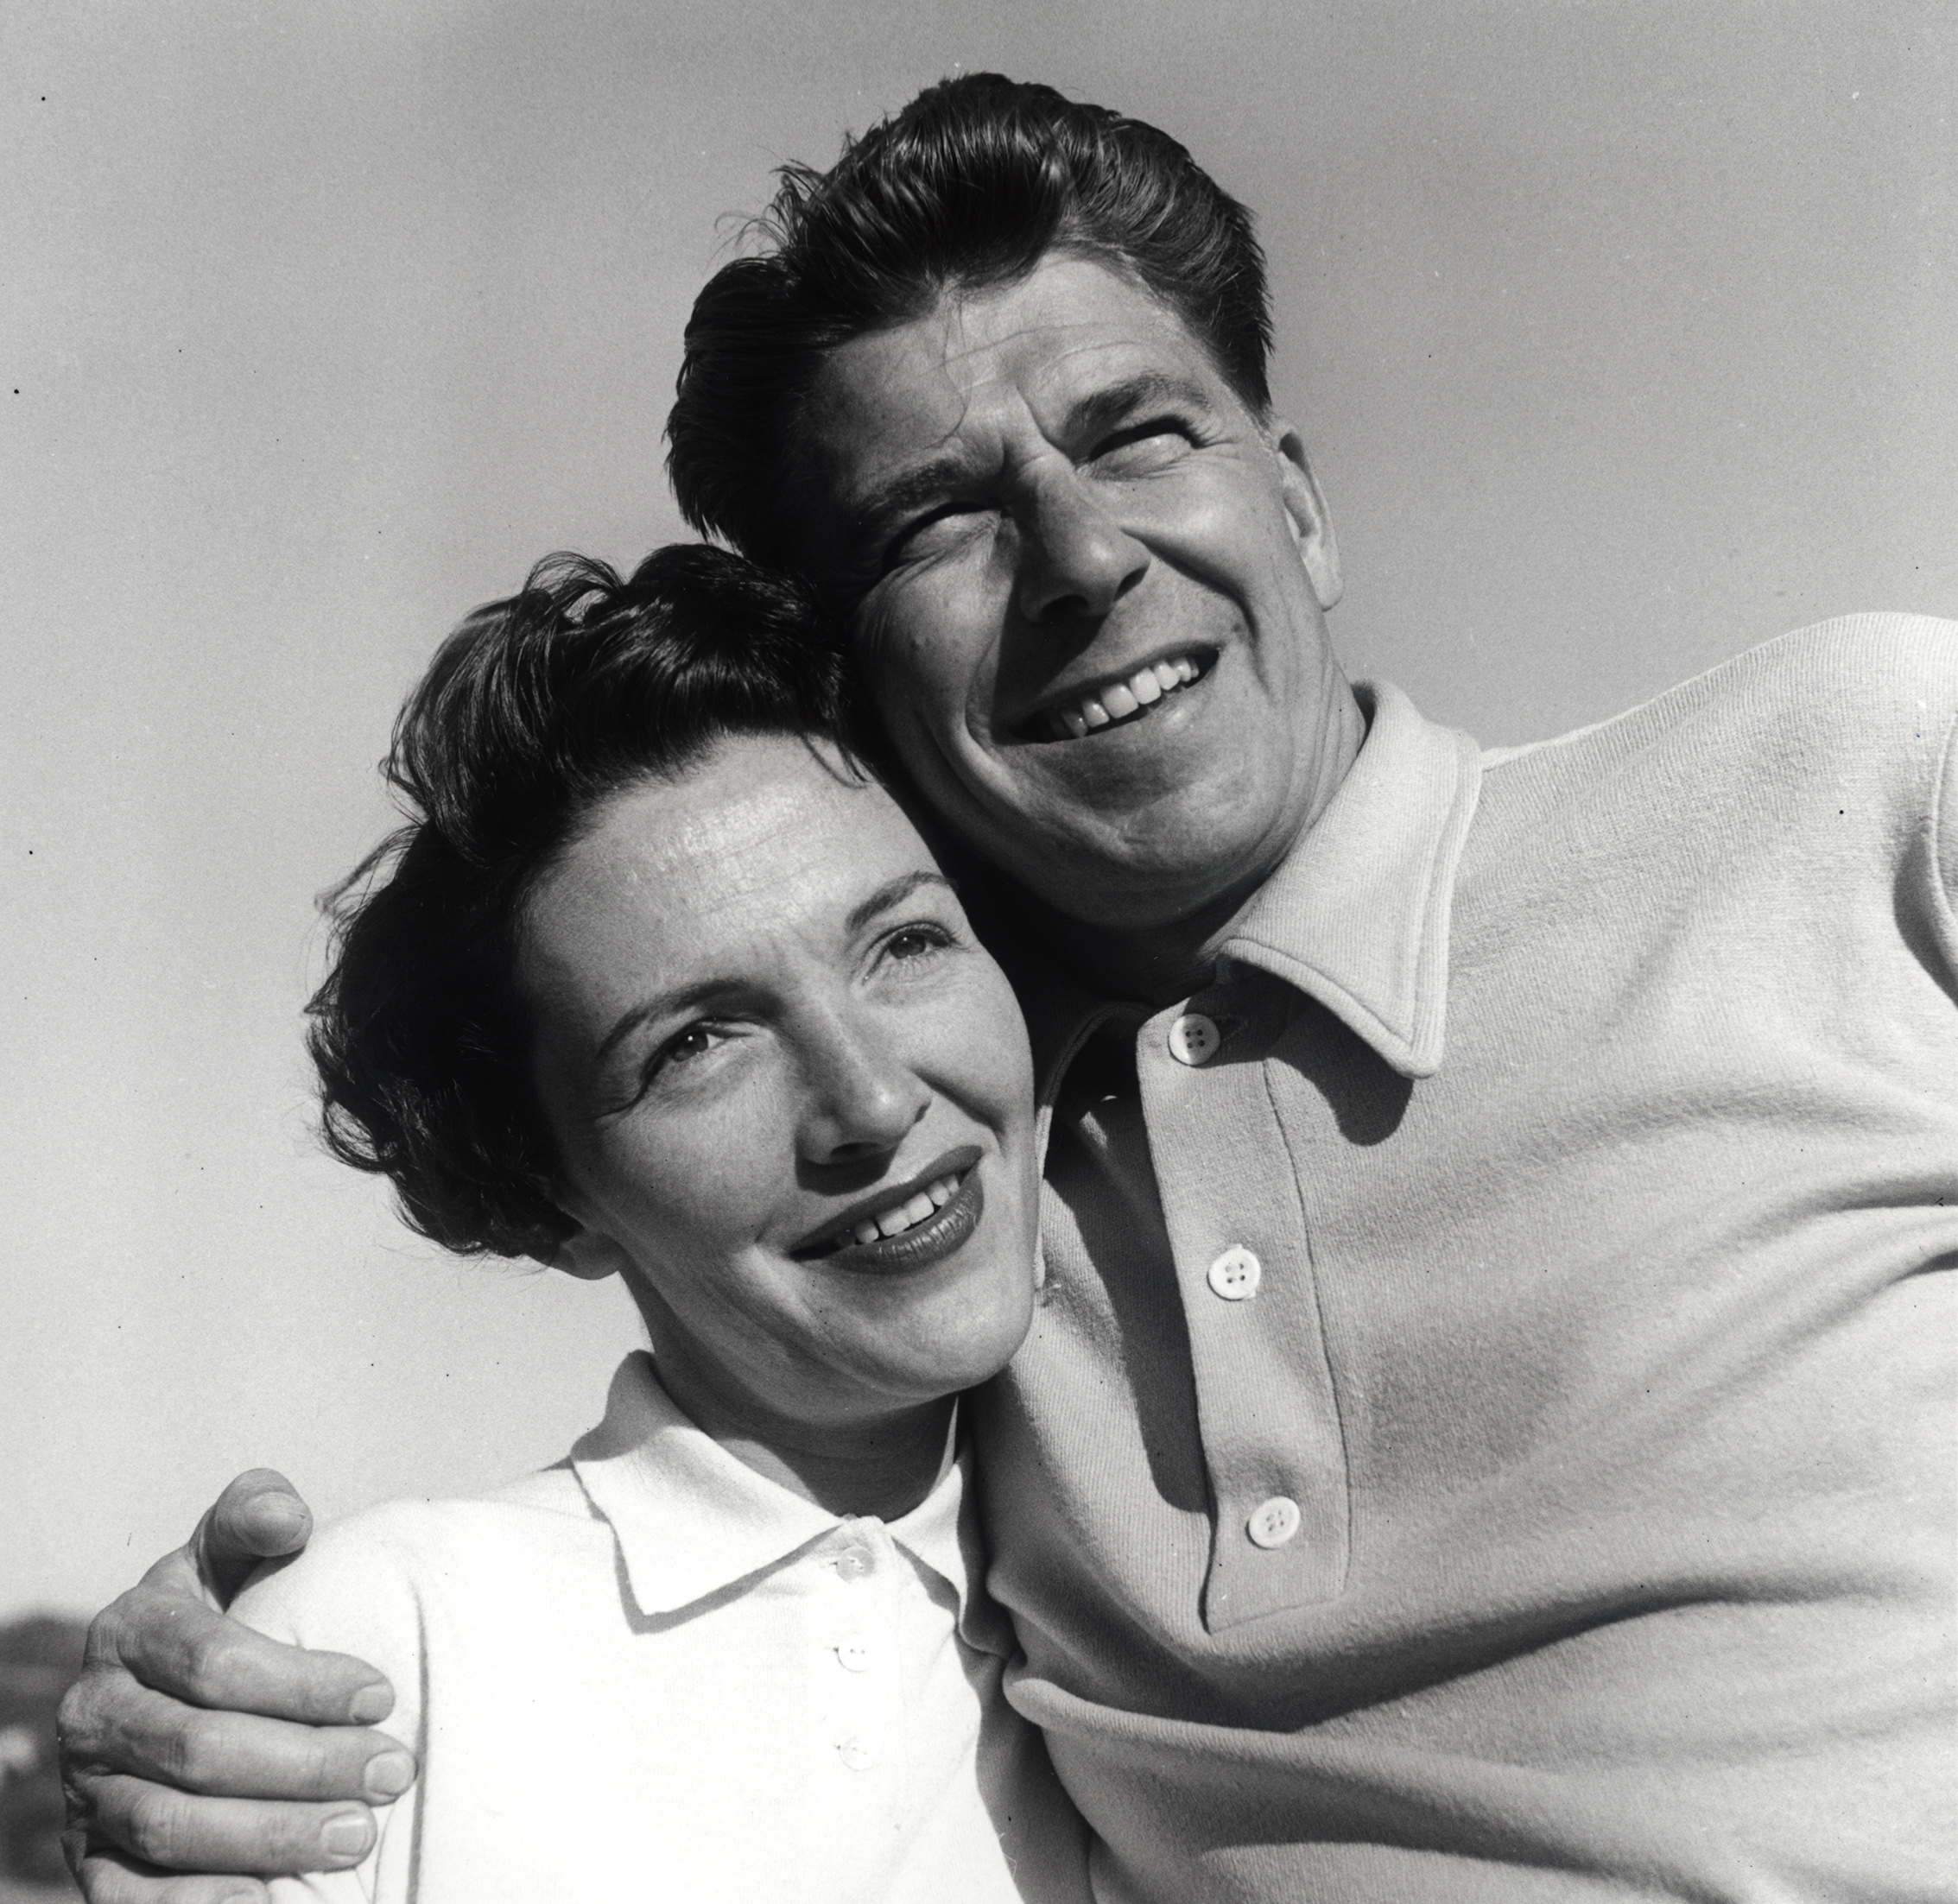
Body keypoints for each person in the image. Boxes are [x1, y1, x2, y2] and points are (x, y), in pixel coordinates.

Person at [63, 74, 1957, 1903]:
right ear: (867, 690)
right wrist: (226, 1690)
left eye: (1136, 431)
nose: (1081, 555)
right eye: (932, 522)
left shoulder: (1870, 772)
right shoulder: (954, 1171)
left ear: (1296, 506)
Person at [235, 541, 1090, 1901]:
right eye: (697, 1042)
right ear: (550, 1194)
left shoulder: (1157, 1605)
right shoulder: (380, 1653)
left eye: (908, 942)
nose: (869, 1099)